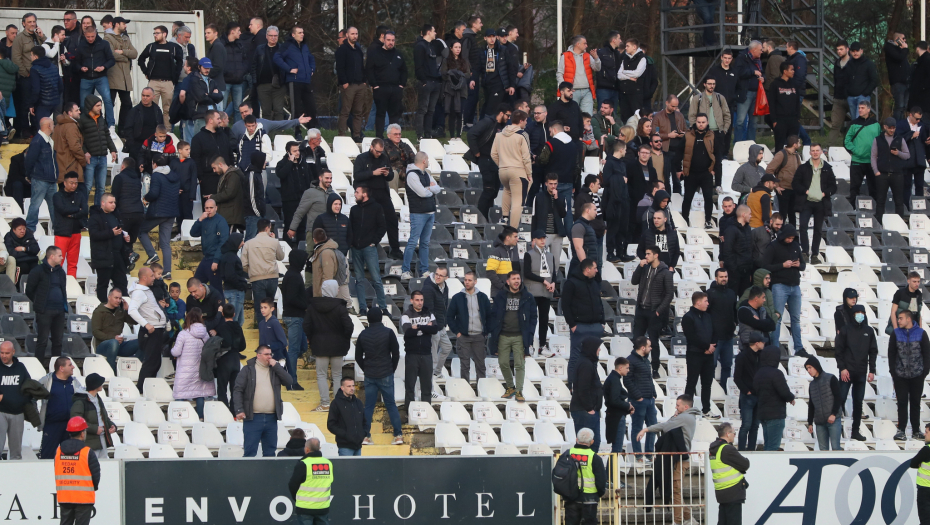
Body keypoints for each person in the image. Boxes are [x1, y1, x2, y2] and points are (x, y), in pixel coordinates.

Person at [636, 395, 700, 523]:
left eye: (677, 405)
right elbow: (670, 424)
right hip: (677, 458)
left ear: (686, 407)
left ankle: (678, 521)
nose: (676, 407)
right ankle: (688, 518)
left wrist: (646, 429)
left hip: (680, 459)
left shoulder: (685, 417)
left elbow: (666, 426)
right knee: (674, 490)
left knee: (675, 490)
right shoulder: (684, 417)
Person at [355, 306, 404, 445]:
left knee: (369, 406)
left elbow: (358, 356)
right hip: (386, 373)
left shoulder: (363, 334)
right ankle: (398, 435)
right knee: (391, 404)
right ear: (381, 318)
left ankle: (366, 436)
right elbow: (396, 354)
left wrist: (366, 368)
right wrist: (391, 368)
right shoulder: (388, 332)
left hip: (370, 373)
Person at [233, 344, 292, 457]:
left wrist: (277, 366)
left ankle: (268, 475)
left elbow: (289, 381)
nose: (269, 357)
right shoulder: (248, 369)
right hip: (253, 417)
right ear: (258, 355)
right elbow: (237, 390)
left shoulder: (275, 369)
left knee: (270, 452)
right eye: (266, 354)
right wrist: (239, 409)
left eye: (270, 354)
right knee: (250, 451)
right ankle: (249, 475)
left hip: (271, 418)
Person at [489, 272, 537, 403]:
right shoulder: (500, 296)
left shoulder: (528, 297)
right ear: (508, 281)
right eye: (514, 279)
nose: (516, 281)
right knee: (503, 363)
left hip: (520, 336)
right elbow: (494, 315)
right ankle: (510, 387)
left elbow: (533, 317)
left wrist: (530, 334)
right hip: (503, 335)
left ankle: (519, 390)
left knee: (519, 364)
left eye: (518, 279)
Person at [305, 279, 353, 412]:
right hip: (338, 346)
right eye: (337, 288)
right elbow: (349, 326)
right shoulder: (340, 307)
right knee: (337, 375)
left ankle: (325, 403)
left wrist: (311, 338)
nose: (338, 290)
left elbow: (306, 325)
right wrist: (344, 337)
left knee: (321, 375)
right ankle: (339, 404)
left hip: (320, 346)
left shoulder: (312, 306)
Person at [762, 224, 808, 358]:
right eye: (788, 238)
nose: (790, 240)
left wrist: (799, 265)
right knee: (777, 318)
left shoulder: (795, 246)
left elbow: (803, 265)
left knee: (796, 319)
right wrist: (783, 265)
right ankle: (774, 347)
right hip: (779, 285)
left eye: (792, 238)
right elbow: (765, 266)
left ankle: (799, 347)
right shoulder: (773, 246)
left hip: (795, 286)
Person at [353, 139, 402, 259]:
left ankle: (395, 249)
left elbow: (390, 176)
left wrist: (387, 174)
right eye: (377, 151)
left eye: (380, 151)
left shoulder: (384, 157)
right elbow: (357, 176)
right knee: (370, 223)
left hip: (383, 193)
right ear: (371, 147)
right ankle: (366, 247)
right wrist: (372, 173)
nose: (379, 154)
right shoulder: (361, 158)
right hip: (369, 193)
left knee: (392, 220)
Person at [632, 245, 674, 377]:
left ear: (656, 255)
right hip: (641, 310)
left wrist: (659, 311)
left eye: (648, 254)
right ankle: (636, 366)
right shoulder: (644, 269)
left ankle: (655, 368)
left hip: (654, 311)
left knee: (653, 342)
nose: (646, 256)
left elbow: (669, 294)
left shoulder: (665, 272)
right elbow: (634, 281)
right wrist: (639, 267)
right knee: (636, 339)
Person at [562, 259, 605, 388]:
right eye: (595, 268)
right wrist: (572, 324)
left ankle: (591, 385)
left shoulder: (595, 282)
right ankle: (573, 385)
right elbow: (565, 305)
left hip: (596, 326)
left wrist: (602, 322)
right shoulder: (571, 283)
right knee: (576, 357)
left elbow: (599, 302)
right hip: (579, 326)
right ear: (587, 269)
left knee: (594, 358)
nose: (597, 270)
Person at [889, 309, 930, 440]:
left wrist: (924, 373)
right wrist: (893, 373)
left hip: (917, 374)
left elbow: (927, 354)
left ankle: (916, 430)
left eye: (900, 318)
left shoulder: (921, 333)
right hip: (900, 375)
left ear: (908, 319)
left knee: (915, 403)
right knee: (901, 402)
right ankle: (901, 430)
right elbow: (891, 354)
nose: (898, 321)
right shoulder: (895, 334)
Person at [793, 144, 836, 265]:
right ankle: (805, 252)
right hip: (806, 202)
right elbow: (795, 183)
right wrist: (806, 191)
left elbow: (834, 186)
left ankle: (815, 254)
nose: (815, 152)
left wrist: (824, 193)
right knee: (802, 227)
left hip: (821, 203)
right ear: (810, 152)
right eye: (813, 151)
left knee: (818, 230)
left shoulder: (827, 168)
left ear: (821, 152)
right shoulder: (803, 168)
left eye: (817, 150)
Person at [54, 417, 101, 525]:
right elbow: (96, 476)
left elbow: (57, 470)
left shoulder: (59, 451)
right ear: (82, 434)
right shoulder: (87, 452)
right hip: (83, 498)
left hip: (65, 497)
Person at [401, 152, 440, 279]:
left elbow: (438, 189)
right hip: (418, 213)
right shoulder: (412, 175)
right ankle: (405, 270)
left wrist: (428, 189)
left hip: (430, 212)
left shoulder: (426, 174)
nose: (428, 161)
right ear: (424, 161)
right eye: (427, 159)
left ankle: (424, 270)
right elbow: (422, 193)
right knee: (413, 241)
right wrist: (430, 189)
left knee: (425, 243)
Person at [169, 308, 214, 419]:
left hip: (185, 370)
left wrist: (171, 350)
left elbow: (176, 351)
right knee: (199, 394)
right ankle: (200, 417)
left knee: (180, 393)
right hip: (201, 369)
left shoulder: (183, 334)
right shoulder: (205, 334)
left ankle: (180, 418)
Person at [468, 103, 510, 220]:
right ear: (501, 113)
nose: (508, 118)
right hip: (485, 159)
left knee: (494, 191)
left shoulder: (503, 126)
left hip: (496, 161)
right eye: (507, 115)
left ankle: (487, 216)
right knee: (489, 189)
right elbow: (471, 134)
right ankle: (482, 217)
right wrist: (476, 151)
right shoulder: (487, 122)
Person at [26, 246, 67, 364]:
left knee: (58, 341)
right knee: (42, 341)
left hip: (59, 310)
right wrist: (39, 302)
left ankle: (57, 368)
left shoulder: (61, 272)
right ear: (52, 256)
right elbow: (29, 290)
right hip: (44, 311)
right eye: (59, 255)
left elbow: (63, 289)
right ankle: (39, 366)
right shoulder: (37, 271)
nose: (62, 258)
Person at [491, 109, 532, 227]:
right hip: (518, 171)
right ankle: (513, 230)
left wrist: (502, 165)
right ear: (520, 121)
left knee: (507, 190)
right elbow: (526, 157)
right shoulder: (522, 135)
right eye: (525, 121)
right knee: (517, 203)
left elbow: (493, 154)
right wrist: (529, 174)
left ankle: (504, 217)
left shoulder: (499, 134)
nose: (526, 123)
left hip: (503, 170)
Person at [446, 271, 491, 380]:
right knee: (465, 366)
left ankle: (482, 389)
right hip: (463, 337)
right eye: (465, 280)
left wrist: (485, 332)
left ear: (475, 281)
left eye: (469, 280)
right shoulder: (457, 298)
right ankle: (465, 390)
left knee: (480, 365)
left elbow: (490, 316)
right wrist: (457, 332)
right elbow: (449, 317)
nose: (467, 282)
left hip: (479, 336)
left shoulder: (483, 297)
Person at [128, 267, 168, 390]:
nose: (154, 278)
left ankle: (148, 389)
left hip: (157, 329)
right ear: (144, 277)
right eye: (151, 276)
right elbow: (132, 310)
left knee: (155, 363)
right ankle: (141, 390)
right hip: (151, 331)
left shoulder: (145, 290)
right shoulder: (139, 292)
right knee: (151, 363)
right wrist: (146, 324)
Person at [687, 77, 731, 184]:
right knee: (702, 159)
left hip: (718, 132)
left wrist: (724, 130)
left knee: (718, 161)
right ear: (704, 84)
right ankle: (703, 184)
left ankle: (718, 184)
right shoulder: (698, 98)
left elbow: (727, 115)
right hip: (703, 133)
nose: (712, 86)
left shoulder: (720, 98)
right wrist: (696, 130)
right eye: (709, 83)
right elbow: (692, 115)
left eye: (714, 83)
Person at [137, 25, 181, 129]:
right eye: (154, 33)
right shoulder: (151, 47)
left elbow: (180, 61)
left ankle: (168, 132)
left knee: (167, 109)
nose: (155, 35)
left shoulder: (173, 47)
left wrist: (175, 75)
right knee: (151, 107)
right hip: (153, 82)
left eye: (157, 33)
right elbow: (140, 59)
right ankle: (152, 131)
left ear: (164, 34)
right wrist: (146, 72)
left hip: (168, 83)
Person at [139, 156, 179, 271]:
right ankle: (167, 272)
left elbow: (154, 193)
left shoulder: (156, 175)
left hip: (158, 211)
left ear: (154, 164)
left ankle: (152, 254)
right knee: (165, 243)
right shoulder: (174, 175)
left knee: (141, 230)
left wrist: (146, 198)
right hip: (171, 212)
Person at [682, 291, 718, 419]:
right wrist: (706, 347)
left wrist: (712, 346)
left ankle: (706, 410)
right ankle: (686, 411)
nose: (708, 303)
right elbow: (691, 337)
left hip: (708, 355)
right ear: (698, 302)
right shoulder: (688, 317)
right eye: (705, 301)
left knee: (707, 383)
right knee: (691, 383)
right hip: (694, 354)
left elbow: (714, 332)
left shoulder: (708, 316)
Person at [401, 290, 441, 407]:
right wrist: (425, 328)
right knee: (410, 387)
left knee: (426, 387)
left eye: (421, 300)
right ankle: (409, 412)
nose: (420, 302)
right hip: (412, 355)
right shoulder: (406, 315)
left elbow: (434, 329)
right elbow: (408, 332)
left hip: (426, 354)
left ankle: (426, 411)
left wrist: (418, 327)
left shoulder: (429, 314)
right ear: (412, 300)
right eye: (417, 300)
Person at [753, 345, 796, 451]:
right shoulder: (776, 373)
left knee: (767, 444)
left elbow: (755, 390)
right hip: (775, 414)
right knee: (773, 447)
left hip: (763, 413)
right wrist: (791, 397)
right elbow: (784, 391)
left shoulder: (758, 373)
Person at [561, 427, 607, 525]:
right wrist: (598, 494)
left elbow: (559, 474)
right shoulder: (594, 457)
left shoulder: (567, 454)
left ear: (576, 440)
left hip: (571, 497)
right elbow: (601, 480)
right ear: (592, 442)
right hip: (590, 498)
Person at [78, 95, 118, 207]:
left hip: (103, 157)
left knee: (101, 187)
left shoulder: (101, 118)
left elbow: (107, 135)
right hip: (91, 158)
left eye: (101, 105)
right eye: (98, 105)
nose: (100, 108)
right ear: (91, 106)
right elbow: (79, 139)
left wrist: (113, 150)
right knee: (88, 186)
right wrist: (85, 151)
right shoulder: (82, 120)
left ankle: (97, 210)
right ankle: (83, 209)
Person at [73, 27, 116, 132]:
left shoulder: (104, 44)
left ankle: (111, 126)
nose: (90, 39)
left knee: (107, 100)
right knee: (83, 104)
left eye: (92, 36)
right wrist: (80, 68)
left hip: (100, 77)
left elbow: (111, 60)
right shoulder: (81, 45)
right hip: (86, 77)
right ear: (84, 35)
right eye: (88, 37)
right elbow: (76, 62)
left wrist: (103, 67)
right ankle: (85, 126)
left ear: (96, 34)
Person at [241, 219, 284, 319]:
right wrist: (274, 240)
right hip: (272, 277)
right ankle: (271, 330)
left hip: (257, 279)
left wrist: (251, 272)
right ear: (267, 228)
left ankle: (262, 332)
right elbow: (281, 257)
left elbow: (244, 264)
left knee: (261, 309)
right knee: (270, 306)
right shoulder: (274, 242)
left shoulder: (248, 243)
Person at [523, 231, 557, 356]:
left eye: (544, 238)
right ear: (534, 240)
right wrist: (543, 281)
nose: (542, 240)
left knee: (544, 319)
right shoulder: (529, 254)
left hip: (546, 292)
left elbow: (554, 273)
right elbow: (527, 273)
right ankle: (529, 345)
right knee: (531, 319)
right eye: (540, 238)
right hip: (532, 291)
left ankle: (542, 346)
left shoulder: (550, 255)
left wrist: (553, 282)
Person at [709, 422, 750, 524]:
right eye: (734, 433)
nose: (734, 436)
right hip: (733, 491)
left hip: (721, 492)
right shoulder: (727, 449)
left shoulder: (714, 448)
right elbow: (745, 464)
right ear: (728, 434)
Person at [871, 117, 910, 220]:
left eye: (894, 128)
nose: (892, 130)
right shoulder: (878, 139)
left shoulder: (900, 139)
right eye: (890, 128)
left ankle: (900, 222)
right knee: (880, 201)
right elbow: (873, 156)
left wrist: (898, 153)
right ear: (885, 127)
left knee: (899, 201)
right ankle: (879, 223)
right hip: (882, 174)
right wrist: (876, 171)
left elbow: (907, 155)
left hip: (897, 174)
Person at [280, 249, 308, 390]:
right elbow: (292, 299)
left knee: (302, 347)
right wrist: (306, 304)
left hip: (297, 316)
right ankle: (291, 381)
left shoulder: (294, 274)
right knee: (294, 350)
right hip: (294, 317)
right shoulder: (293, 276)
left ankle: (287, 369)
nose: (305, 263)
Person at [275, 25, 316, 123]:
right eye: (299, 33)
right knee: (296, 108)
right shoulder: (287, 45)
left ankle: (313, 130)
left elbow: (311, 58)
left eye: (302, 32)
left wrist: (312, 69)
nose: (302, 35)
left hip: (306, 80)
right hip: (294, 80)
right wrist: (289, 69)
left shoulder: (304, 46)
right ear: (293, 35)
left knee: (311, 107)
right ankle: (297, 130)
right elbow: (277, 58)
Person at [570, 337, 604, 453]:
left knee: (592, 443)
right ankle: (584, 470)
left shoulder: (586, 362)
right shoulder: (586, 364)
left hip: (585, 411)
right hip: (584, 411)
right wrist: (589, 408)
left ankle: (587, 469)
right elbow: (583, 388)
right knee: (588, 444)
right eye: (597, 347)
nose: (599, 350)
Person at [681, 114, 715, 229]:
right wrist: (678, 169)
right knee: (687, 198)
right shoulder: (688, 135)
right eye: (699, 122)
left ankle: (708, 220)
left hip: (706, 173)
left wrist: (714, 170)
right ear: (695, 122)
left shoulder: (712, 136)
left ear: (707, 122)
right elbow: (680, 152)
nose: (701, 124)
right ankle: (684, 220)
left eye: (703, 122)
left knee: (708, 197)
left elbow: (717, 155)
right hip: (691, 173)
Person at [91, 288, 138, 371]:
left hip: (119, 345)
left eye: (120, 298)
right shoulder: (99, 312)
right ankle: (112, 371)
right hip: (103, 346)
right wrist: (113, 338)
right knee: (113, 342)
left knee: (142, 341)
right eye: (116, 298)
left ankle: (139, 371)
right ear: (109, 297)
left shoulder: (120, 311)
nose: (118, 300)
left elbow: (134, 322)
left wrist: (128, 310)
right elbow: (96, 332)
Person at [289, 437, 334, 523]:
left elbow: (292, 485)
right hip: (322, 507)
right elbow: (330, 481)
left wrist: (298, 498)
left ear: (307, 449)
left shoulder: (303, 464)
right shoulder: (328, 463)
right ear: (319, 448)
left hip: (305, 508)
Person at [733, 331, 766, 451]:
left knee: (755, 426)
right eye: (762, 342)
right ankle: (741, 450)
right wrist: (746, 391)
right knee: (746, 425)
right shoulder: (742, 356)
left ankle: (752, 451)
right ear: (757, 343)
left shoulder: (762, 355)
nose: (764, 344)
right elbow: (737, 377)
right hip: (748, 396)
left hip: (759, 395)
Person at [24, 118, 58, 232]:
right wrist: (29, 175)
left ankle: (58, 230)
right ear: (48, 126)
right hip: (40, 179)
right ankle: (29, 230)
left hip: (51, 180)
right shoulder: (38, 141)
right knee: (35, 205)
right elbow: (29, 160)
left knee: (54, 207)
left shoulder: (48, 140)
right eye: (53, 124)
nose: (54, 126)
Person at [190, 110, 232, 201]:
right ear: (210, 120)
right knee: (210, 207)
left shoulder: (224, 136)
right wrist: (201, 177)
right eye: (218, 119)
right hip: (208, 179)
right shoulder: (198, 139)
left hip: (226, 177)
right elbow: (195, 159)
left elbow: (230, 154)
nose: (220, 121)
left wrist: (230, 169)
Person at [51, 171, 87, 278]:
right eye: (71, 183)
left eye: (75, 183)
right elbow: (62, 209)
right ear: (65, 183)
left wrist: (72, 215)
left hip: (76, 232)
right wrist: (77, 209)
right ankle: (56, 283)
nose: (74, 185)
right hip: (62, 233)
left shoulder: (80, 195)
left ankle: (71, 283)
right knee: (58, 262)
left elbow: (85, 210)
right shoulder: (57, 196)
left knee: (73, 263)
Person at [845, 100, 881, 205]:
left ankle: (875, 209)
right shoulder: (853, 124)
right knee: (854, 188)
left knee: (874, 188)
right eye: (859, 108)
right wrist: (856, 151)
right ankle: (852, 209)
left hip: (872, 161)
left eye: (862, 108)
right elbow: (846, 141)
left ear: (868, 109)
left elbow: (880, 140)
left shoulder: (876, 124)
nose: (860, 110)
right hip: (857, 161)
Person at [335, 27, 367, 141]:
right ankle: (342, 135)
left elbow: (362, 66)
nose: (355, 36)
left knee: (358, 112)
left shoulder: (358, 49)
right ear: (347, 35)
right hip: (348, 85)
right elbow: (340, 68)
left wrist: (364, 81)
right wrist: (344, 82)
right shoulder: (342, 49)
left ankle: (356, 135)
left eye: (356, 33)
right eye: (352, 33)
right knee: (345, 111)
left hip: (360, 84)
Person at [804, 356, 842, 451]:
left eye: (810, 367)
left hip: (833, 420)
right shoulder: (811, 385)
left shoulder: (831, 378)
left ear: (816, 366)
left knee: (836, 448)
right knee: (823, 450)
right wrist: (810, 423)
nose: (808, 370)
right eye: (807, 368)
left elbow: (838, 397)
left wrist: (833, 414)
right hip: (820, 422)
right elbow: (811, 404)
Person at [556, 35, 600, 115]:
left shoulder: (587, 56)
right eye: (585, 43)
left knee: (588, 116)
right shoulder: (565, 56)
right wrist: (565, 88)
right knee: (572, 116)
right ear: (578, 44)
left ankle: (586, 128)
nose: (586, 45)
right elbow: (559, 73)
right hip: (572, 91)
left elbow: (597, 68)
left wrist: (596, 58)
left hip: (587, 91)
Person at [421, 267, 452, 378]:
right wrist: (435, 327)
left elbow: (444, 306)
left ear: (446, 278)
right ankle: (430, 378)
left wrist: (444, 323)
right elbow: (428, 311)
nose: (438, 277)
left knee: (447, 347)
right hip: (432, 327)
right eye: (437, 274)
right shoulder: (428, 288)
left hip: (440, 325)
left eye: (441, 275)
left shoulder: (445, 287)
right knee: (433, 355)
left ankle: (436, 372)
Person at [413, 24, 442, 140]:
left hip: (435, 82)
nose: (435, 33)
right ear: (428, 32)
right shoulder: (420, 46)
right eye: (434, 31)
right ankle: (419, 135)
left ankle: (428, 134)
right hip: (426, 82)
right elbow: (418, 66)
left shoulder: (431, 46)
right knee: (422, 110)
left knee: (431, 110)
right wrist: (423, 80)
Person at [479, 29, 514, 117]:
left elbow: (510, 67)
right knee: (489, 106)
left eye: (493, 36)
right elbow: (478, 67)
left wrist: (511, 85)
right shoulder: (482, 51)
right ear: (485, 38)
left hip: (499, 83)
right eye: (489, 37)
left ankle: (492, 128)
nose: (492, 39)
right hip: (487, 84)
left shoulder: (503, 50)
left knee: (492, 109)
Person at [123, 88, 164, 163]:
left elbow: (161, 127)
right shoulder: (134, 111)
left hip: (153, 145)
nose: (145, 98)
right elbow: (128, 128)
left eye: (147, 96)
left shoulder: (157, 110)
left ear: (153, 97)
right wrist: (132, 145)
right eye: (143, 95)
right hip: (137, 144)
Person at [897, 107, 928, 204]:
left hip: (919, 160)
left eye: (919, 119)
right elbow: (897, 140)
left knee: (919, 185)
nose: (918, 121)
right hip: (907, 161)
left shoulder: (922, 125)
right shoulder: (901, 124)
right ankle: (906, 206)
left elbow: (924, 140)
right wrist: (910, 135)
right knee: (906, 185)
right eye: (916, 119)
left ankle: (920, 207)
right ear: (910, 115)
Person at [441, 38, 471, 138]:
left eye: (459, 47)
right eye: (456, 47)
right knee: (452, 113)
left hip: (462, 91)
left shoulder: (464, 61)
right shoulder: (446, 61)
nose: (458, 49)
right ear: (451, 48)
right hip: (450, 91)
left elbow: (468, 74)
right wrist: (452, 75)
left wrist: (459, 75)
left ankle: (459, 136)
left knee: (459, 113)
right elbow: (444, 74)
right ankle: (452, 135)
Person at [767, 63, 800, 151]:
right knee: (779, 144)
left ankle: (793, 162)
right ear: (785, 71)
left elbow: (797, 101)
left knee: (793, 143)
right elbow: (772, 102)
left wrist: (798, 117)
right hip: (780, 119)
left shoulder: (794, 84)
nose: (793, 71)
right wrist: (774, 120)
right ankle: (779, 162)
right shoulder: (775, 84)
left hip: (793, 119)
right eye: (791, 70)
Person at [27, 44, 61, 121]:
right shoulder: (53, 66)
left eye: (31, 55)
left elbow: (36, 89)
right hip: (54, 101)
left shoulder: (34, 69)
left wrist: (31, 104)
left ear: (36, 56)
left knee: (42, 127)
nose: (30, 57)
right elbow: (60, 85)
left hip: (42, 103)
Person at [616, 38, 647, 122]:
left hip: (636, 94)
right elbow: (619, 75)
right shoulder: (625, 58)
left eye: (627, 46)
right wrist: (629, 77)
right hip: (624, 93)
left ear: (634, 47)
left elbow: (637, 74)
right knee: (625, 117)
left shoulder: (642, 58)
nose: (625, 48)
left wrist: (624, 72)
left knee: (637, 117)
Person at [828, 41, 851, 146]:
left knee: (855, 124)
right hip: (838, 98)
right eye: (837, 49)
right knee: (835, 124)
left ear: (847, 49)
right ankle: (828, 147)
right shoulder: (837, 63)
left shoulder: (853, 63)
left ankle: (850, 146)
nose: (839, 51)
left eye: (841, 49)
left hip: (851, 97)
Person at [884, 32, 910, 120]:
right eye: (903, 38)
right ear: (897, 39)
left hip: (905, 81)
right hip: (897, 82)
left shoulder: (900, 49)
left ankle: (902, 125)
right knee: (899, 106)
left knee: (904, 107)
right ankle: (897, 126)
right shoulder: (890, 48)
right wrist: (905, 49)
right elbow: (899, 58)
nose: (905, 41)